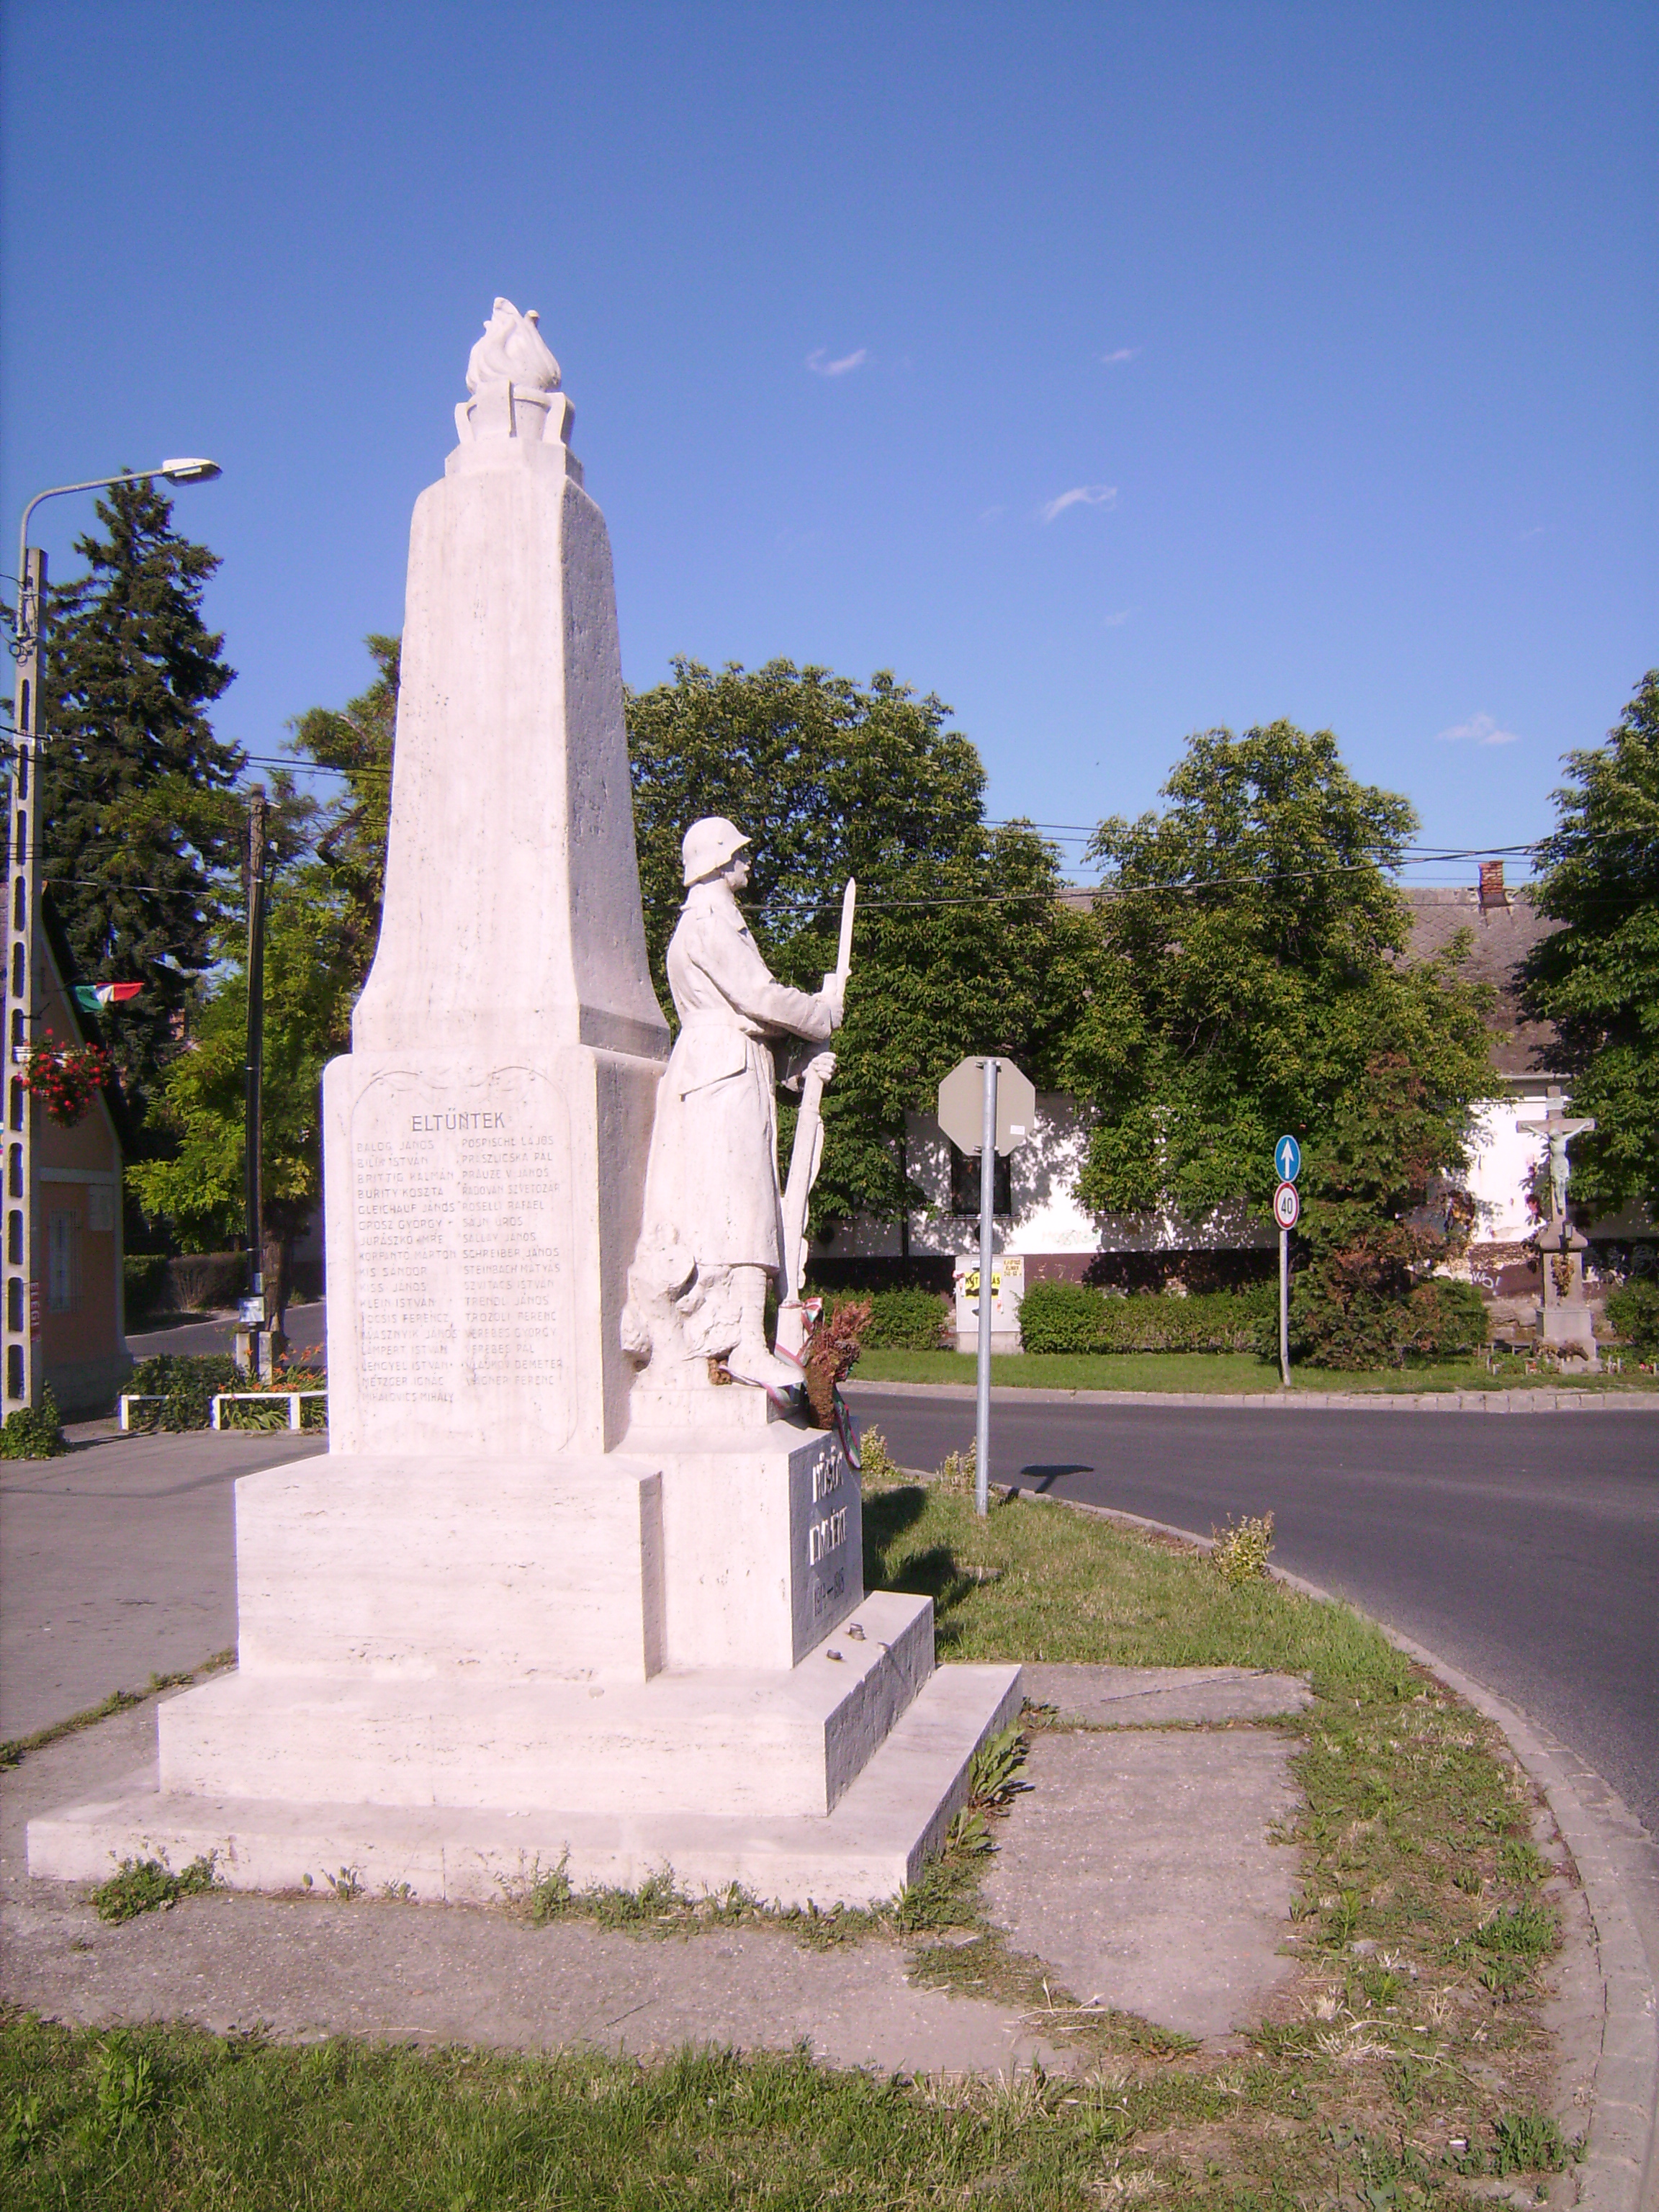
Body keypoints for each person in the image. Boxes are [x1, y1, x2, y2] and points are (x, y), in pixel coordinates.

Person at [637, 817, 842, 1390]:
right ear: (717, 860)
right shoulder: (709, 923)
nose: (748, 863)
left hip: (732, 1062)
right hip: (721, 1070)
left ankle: (741, 1338)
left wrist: (797, 1071)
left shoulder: (716, 920)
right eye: (740, 854)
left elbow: (745, 1017)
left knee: (745, 1201)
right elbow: (757, 997)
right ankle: (744, 1342)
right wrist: (820, 1014)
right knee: (744, 1204)